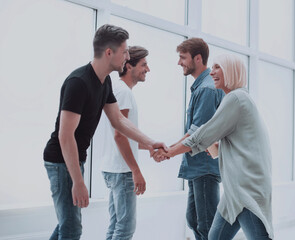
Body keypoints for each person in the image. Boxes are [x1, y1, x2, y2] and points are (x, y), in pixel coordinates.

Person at [43, 24, 166, 240]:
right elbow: (65, 135)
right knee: (72, 228)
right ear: (109, 52)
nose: (127, 56)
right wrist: (78, 182)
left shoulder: (104, 81)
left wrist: (150, 142)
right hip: (60, 160)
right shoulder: (78, 82)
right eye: (125, 51)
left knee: (67, 225)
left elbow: (118, 121)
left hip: (73, 158)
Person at [154, 54, 273, 240]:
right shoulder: (239, 99)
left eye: (218, 67)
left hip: (246, 189)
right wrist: (218, 146)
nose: (212, 73)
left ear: (231, 71)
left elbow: (203, 134)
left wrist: (169, 152)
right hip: (235, 191)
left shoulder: (236, 99)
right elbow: (235, 140)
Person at [173, 38, 225, 240]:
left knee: (206, 224)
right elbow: (194, 130)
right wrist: (171, 147)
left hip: (204, 167)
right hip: (197, 167)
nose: (179, 63)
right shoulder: (201, 86)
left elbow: (198, 134)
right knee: (194, 219)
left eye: (182, 58)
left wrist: (169, 151)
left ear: (198, 58)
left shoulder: (206, 89)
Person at [101, 46, 150, 240]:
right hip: (121, 172)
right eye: (144, 64)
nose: (148, 69)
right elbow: (119, 136)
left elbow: (125, 137)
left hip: (114, 168)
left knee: (116, 226)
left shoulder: (119, 90)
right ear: (129, 66)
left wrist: (151, 147)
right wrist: (136, 171)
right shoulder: (123, 92)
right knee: (125, 229)